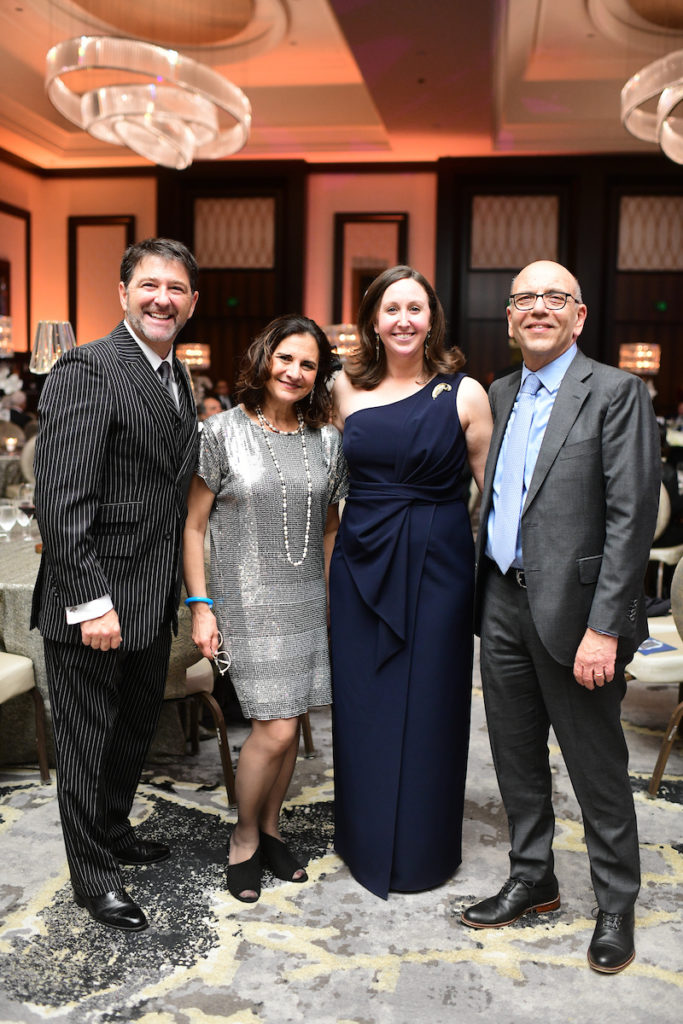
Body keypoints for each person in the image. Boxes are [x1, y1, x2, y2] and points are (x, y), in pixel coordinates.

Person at [461, 260, 660, 974]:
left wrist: (604, 627)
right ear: (509, 318)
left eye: (554, 297)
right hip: (501, 601)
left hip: (578, 614)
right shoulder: (499, 391)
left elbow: (629, 519)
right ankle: (532, 875)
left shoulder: (614, 391)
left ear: (578, 316)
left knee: (595, 766)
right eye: (524, 299)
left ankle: (614, 902)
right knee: (514, 756)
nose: (537, 308)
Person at [31, 238, 200, 932]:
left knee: (132, 732)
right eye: (150, 285)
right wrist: (90, 602)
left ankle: (115, 830)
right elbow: (59, 500)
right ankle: (93, 877)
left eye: (177, 289)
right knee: (85, 743)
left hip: (151, 597)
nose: (164, 298)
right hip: (96, 602)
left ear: (190, 302)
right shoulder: (88, 368)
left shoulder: (175, 374)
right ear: (123, 292)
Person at [329, 265, 493, 899]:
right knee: (363, 703)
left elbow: (497, 495)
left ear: (432, 320)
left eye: (414, 309)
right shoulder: (341, 387)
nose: (402, 319)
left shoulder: (464, 393)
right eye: (390, 308)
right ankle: (364, 838)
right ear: (373, 320)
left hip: (439, 566)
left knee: (432, 706)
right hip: (360, 561)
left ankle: (424, 851)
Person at [183, 313, 347, 903]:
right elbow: (194, 525)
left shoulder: (328, 441)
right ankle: (244, 836)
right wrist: (201, 606)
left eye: (309, 364)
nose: (296, 372)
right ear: (264, 359)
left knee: (292, 717)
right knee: (274, 729)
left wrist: (334, 598)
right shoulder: (220, 431)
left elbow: (330, 527)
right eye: (286, 358)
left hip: (304, 598)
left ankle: (274, 829)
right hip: (243, 602)